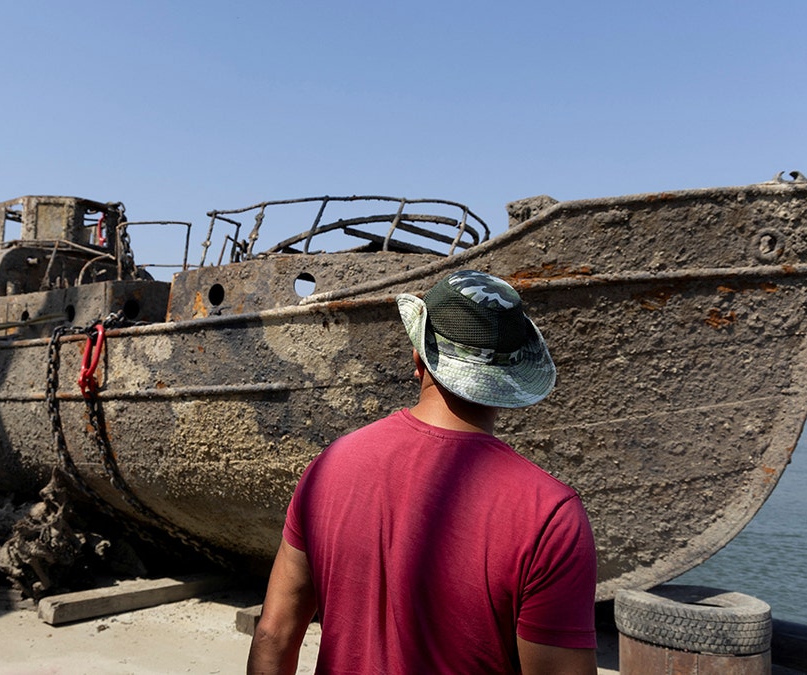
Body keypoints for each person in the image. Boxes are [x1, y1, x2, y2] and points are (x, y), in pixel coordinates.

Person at [247, 270, 597, 675]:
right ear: (511, 380)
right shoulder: (549, 516)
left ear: (418, 357)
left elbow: (273, 635)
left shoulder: (329, 467)